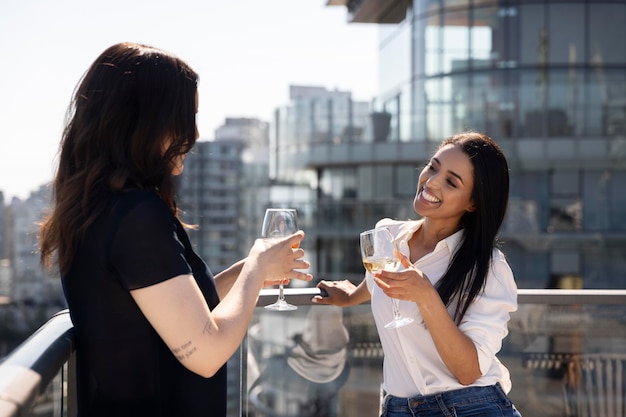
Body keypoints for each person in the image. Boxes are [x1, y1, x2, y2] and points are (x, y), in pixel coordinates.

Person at [38, 42, 311, 417]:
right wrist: (258, 267)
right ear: (144, 121)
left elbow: (168, 309)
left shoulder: (100, 208)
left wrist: (248, 270)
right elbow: (206, 352)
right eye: (186, 117)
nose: (194, 134)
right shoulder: (136, 216)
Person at [313, 131, 522, 417]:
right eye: (433, 167)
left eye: (451, 182)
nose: (432, 181)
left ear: (472, 202)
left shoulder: (489, 268)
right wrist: (352, 296)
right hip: (398, 407)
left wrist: (427, 297)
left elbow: (468, 372)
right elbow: (380, 279)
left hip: (472, 407)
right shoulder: (387, 234)